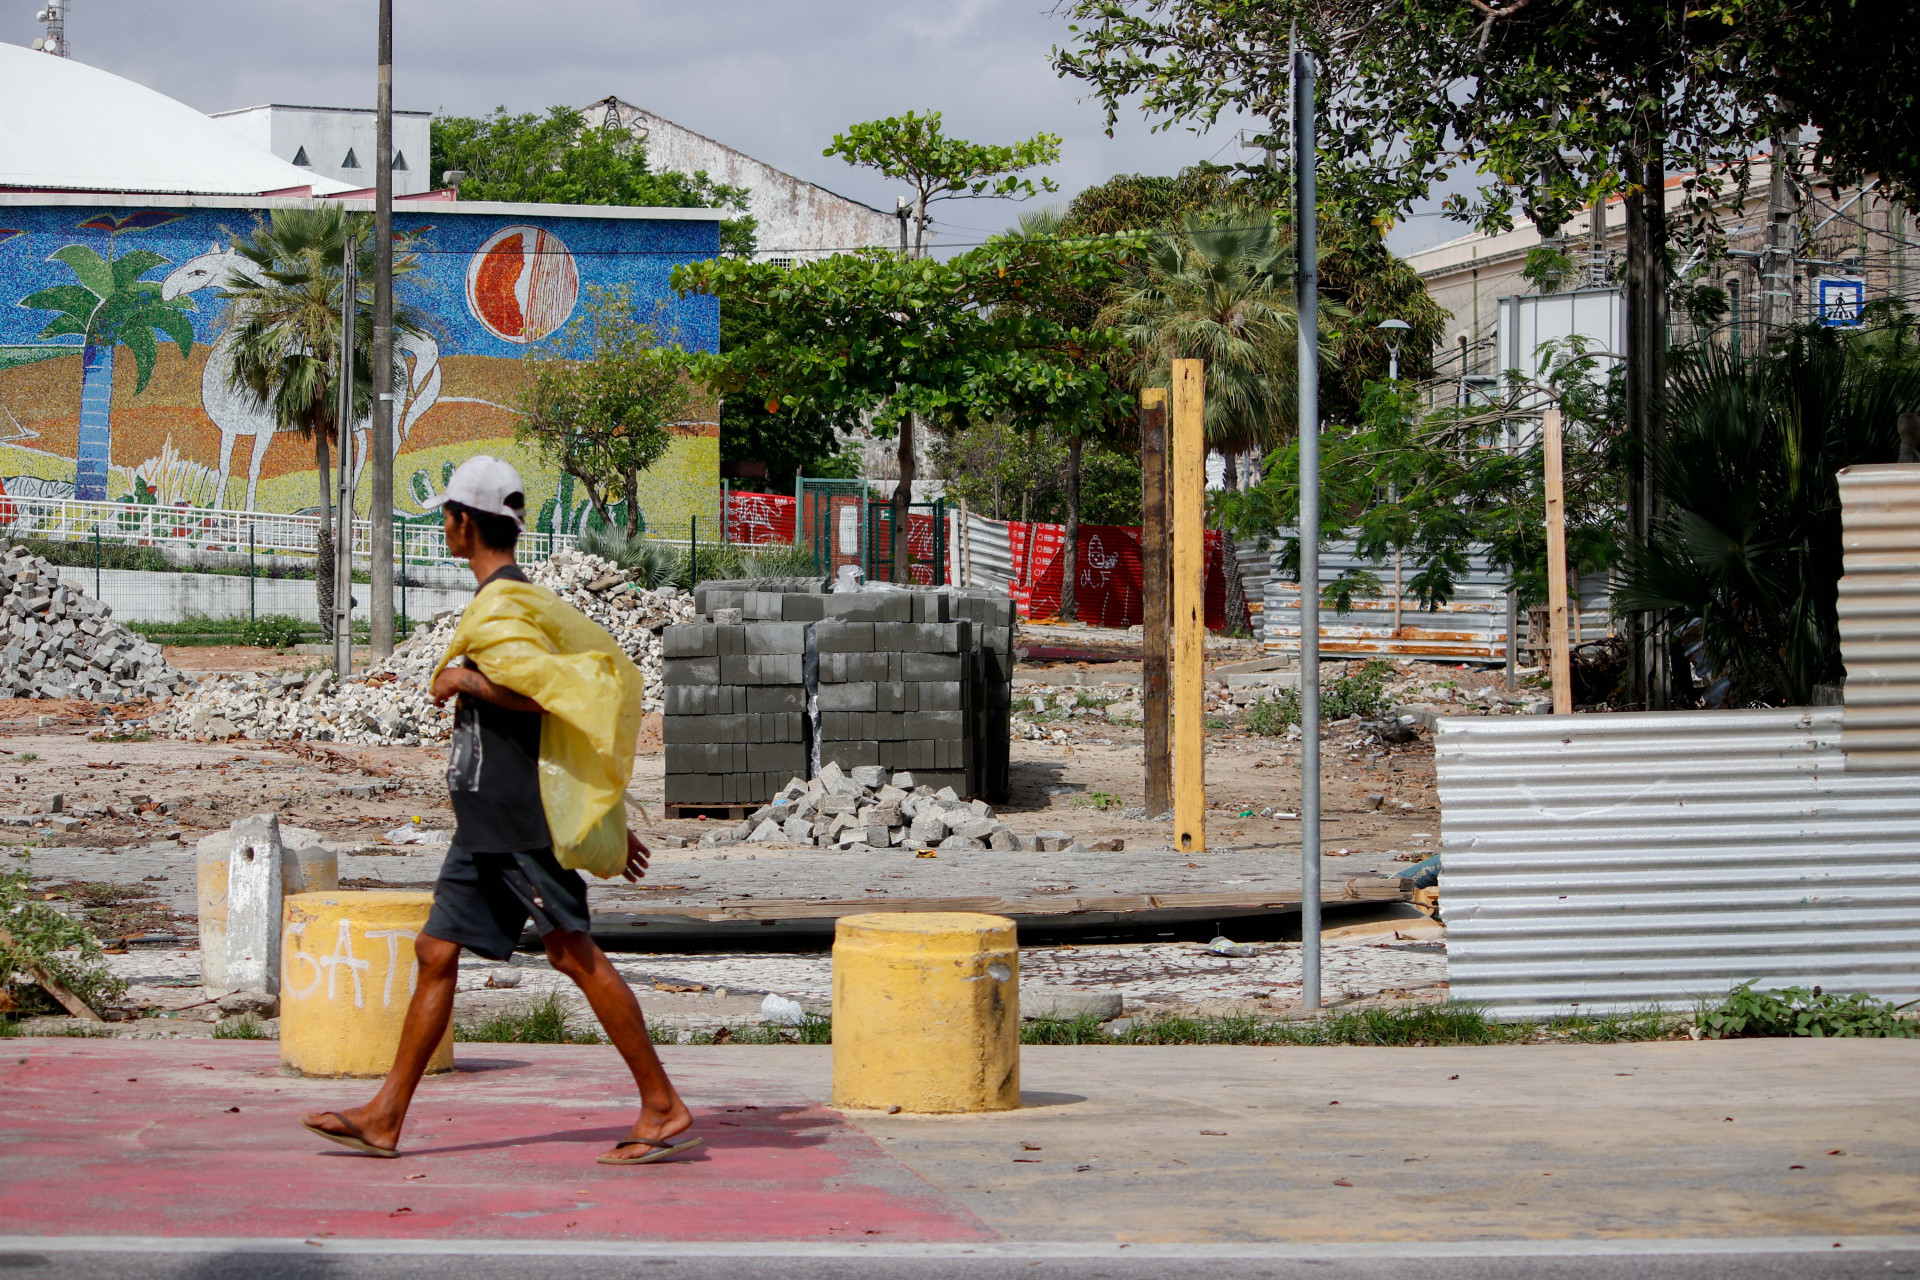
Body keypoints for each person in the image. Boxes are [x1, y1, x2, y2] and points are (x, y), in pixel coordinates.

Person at [301, 456, 697, 1166]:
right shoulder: (510, 604)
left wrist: (463, 680)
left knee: (572, 953)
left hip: (517, 821)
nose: (445, 527)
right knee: (434, 953)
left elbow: (549, 695)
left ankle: (661, 1104)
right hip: (485, 821)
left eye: (447, 517)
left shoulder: (503, 605)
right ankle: (387, 1115)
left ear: (461, 522)